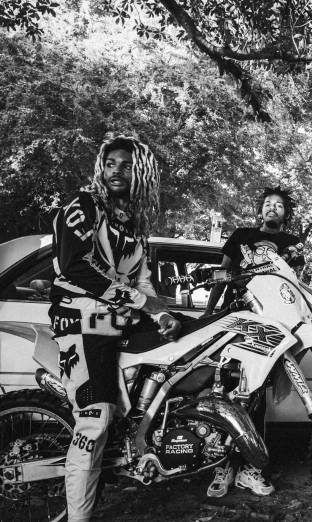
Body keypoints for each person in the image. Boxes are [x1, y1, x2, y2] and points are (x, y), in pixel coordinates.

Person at [49, 136, 182, 522]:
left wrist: (160, 313)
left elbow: (141, 282)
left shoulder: (134, 224)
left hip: (114, 319)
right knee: (96, 416)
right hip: (81, 316)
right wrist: (141, 303)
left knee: (186, 344)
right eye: (110, 163)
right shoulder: (84, 205)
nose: (117, 171)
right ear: (101, 167)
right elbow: (76, 265)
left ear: (139, 171)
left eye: (126, 165)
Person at [202, 186, 304, 498]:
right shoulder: (240, 235)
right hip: (235, 322)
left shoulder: (292, 244)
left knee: (255, 397)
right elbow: (222, 274)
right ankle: (223, 465)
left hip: (270, 326)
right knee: (224, 394)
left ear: (286, 213)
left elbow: (297, 284)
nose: (273, 208)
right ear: (260, 209)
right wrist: (208, 313)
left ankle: (250, 469)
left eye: (279, 205)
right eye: (268, 204)